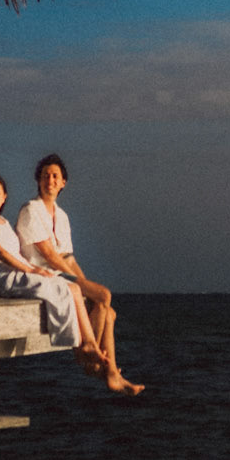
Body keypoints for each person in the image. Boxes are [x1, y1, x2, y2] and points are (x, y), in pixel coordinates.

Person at [15, 154, 144, 395]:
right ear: (38, 180)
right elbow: (50, 256)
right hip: (41, 275)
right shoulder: (31, 210)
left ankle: (110, 372)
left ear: (63, 182)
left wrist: (84, 283)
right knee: (104, 295)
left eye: (55, 177)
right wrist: (83, 286)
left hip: (60, 273)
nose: (50, 181)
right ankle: (87, 357)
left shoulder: (61, 216)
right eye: (45, 176)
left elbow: (69, 258)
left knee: (108, 310)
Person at [0, 173, 103, 368]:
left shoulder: (3, 222)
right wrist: (31, 270)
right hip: (4, 279)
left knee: (73, 288)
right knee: (61, 289)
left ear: (5, 196)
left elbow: (17, 253)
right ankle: (83, 348)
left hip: (20, 273)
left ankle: (88, 344)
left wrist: (36, 269)